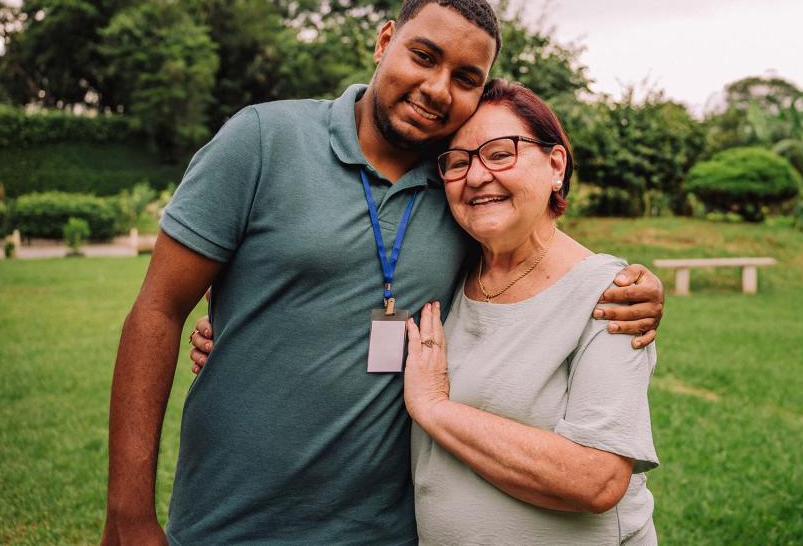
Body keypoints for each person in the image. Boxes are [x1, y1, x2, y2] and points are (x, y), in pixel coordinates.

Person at [102, 0, 664, 545]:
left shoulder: (458, 192)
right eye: (423, 56)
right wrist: (127, 516)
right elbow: (158, 308)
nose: (437, 89)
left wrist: (637, 286)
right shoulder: (263, 140)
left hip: (385, 532)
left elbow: (535, 252)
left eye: (466, 78)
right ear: (385, 41)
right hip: (228, 524)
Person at [193, 80, 660, 544]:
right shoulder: (450, 274)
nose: (477, 176)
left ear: (556, 164)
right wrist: (237, 334)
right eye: (458, 162)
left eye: (500, 154)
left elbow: (596, 479)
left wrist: (435, 409)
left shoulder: (614, 297)